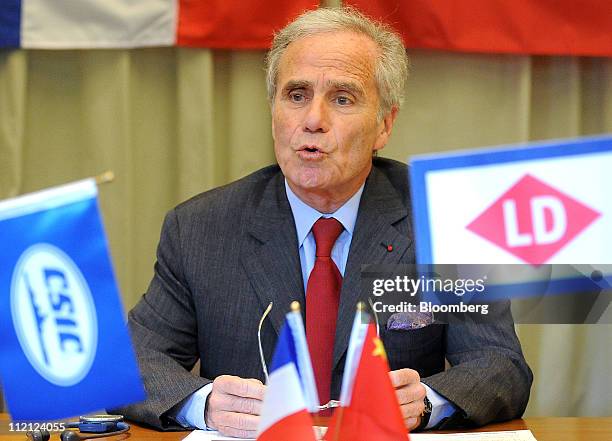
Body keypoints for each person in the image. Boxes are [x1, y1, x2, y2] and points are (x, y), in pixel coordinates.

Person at [116, 7, 532, 438]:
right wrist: (204, 405)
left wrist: (427, 401)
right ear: (273, 110)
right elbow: (130, 363)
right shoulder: (201, 229)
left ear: (384, 125)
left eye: (342, 98)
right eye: (296, 95)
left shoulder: (442, 220)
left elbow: (500, 367)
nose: (313, 120)